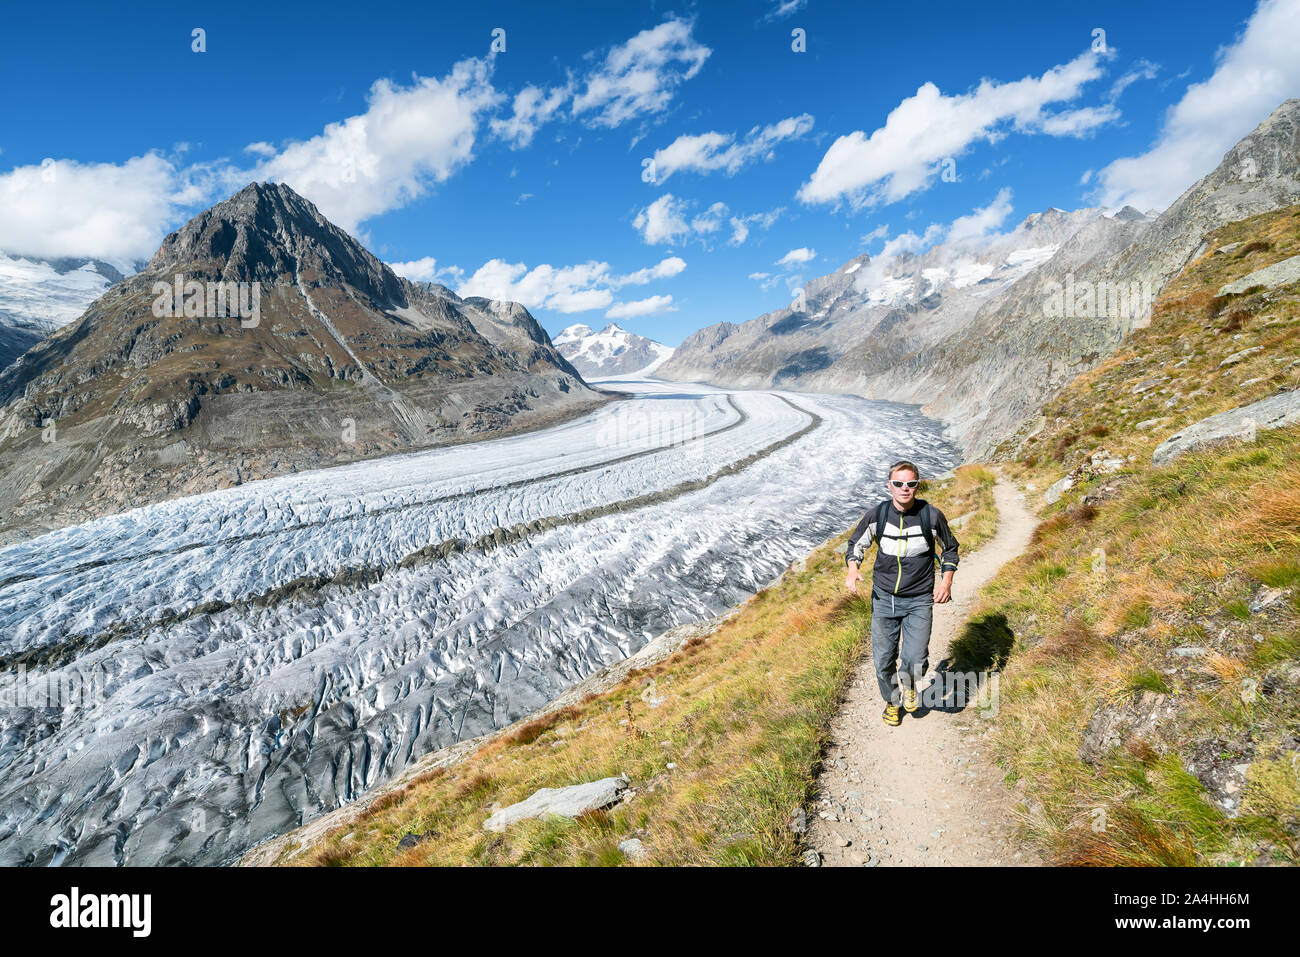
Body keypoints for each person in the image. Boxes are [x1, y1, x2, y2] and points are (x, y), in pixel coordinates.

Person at [843, 460, 960, 726]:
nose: (904, 488)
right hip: (883, 598)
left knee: (916, 657)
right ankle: (892, 702)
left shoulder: (931, 516)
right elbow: (855, 544)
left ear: (918, 485)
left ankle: (909, 685)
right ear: (889, 486)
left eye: (910, 484)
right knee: (883, 659)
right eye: (898, 483)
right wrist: (853, 569)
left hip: (919, 599)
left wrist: (946, 582)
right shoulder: (878, 515)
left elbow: (950, 548)